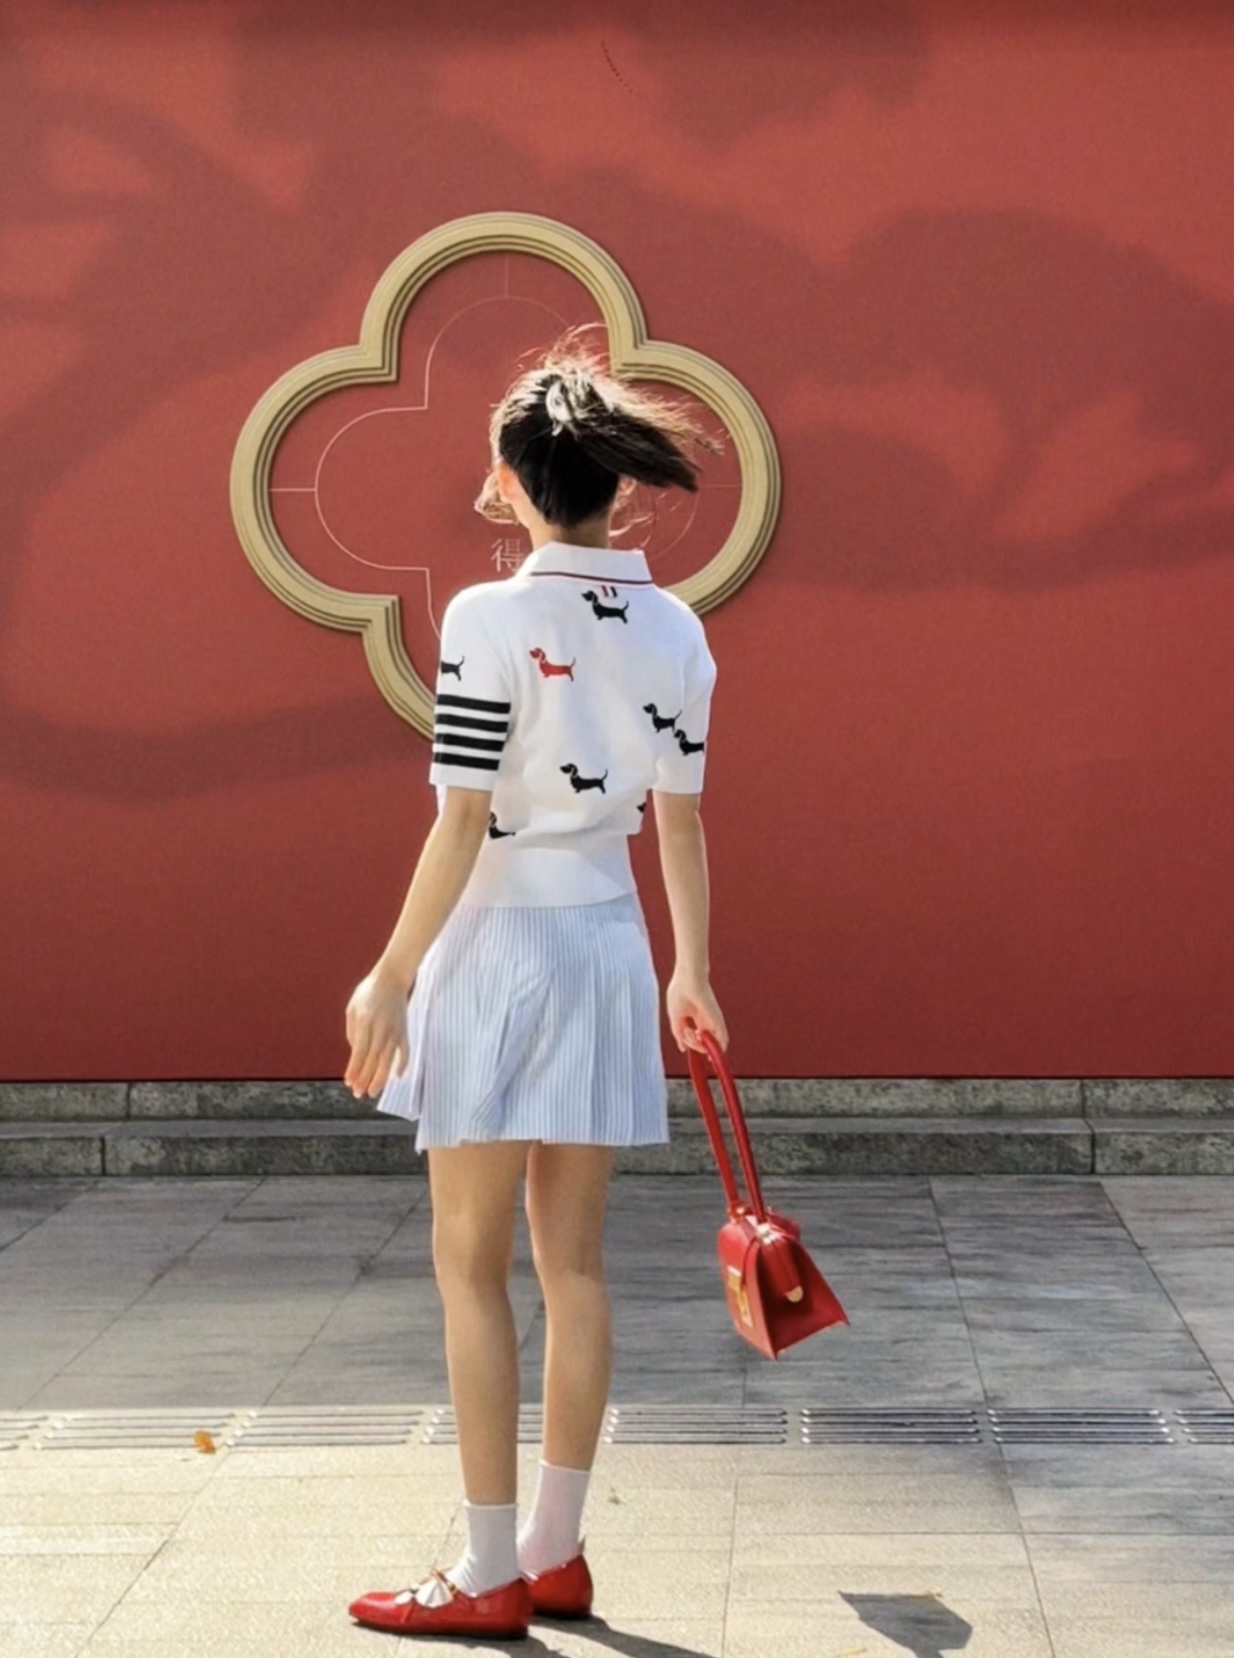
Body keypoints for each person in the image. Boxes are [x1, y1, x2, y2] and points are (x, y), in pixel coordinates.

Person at [342, 337, 728, 1640]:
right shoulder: (676, 628)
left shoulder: (486, 618)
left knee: (469, 1266)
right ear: (615, 483)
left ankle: (486, 1566)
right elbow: (681, 821)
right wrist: (691, 970)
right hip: (611, 943)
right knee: (575, 1266)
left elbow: (462, 820)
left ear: (511, 481)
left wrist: (390, 976)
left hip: (498, 949)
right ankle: (553, 1554)